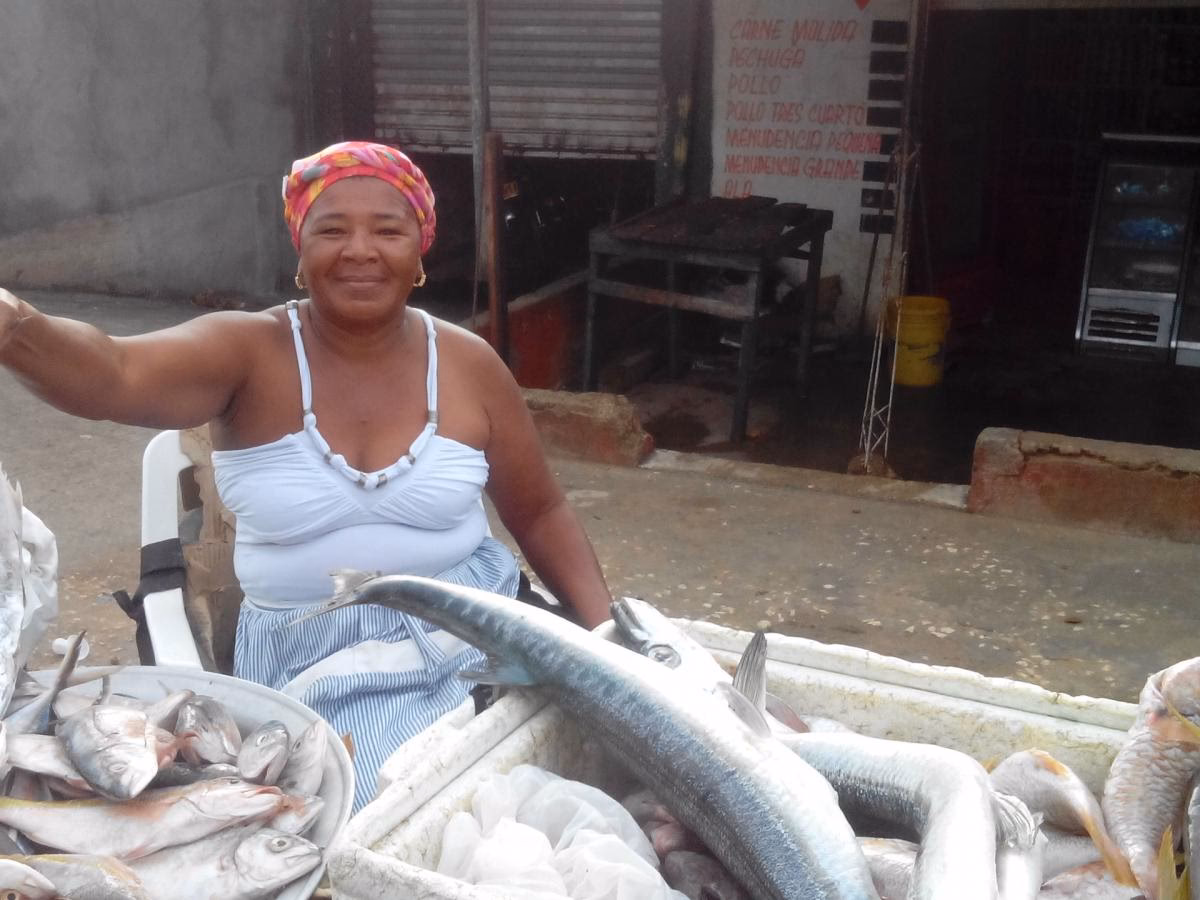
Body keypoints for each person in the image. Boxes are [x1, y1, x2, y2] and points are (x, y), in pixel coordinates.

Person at [0, 140, 613, 809]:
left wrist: (612, 640)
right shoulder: (247, 353)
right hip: (314, 658)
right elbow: (114, 373)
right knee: (395, 806)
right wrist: (17, 327)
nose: (359, 250)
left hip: (476, 632)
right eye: (331, 230)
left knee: (589, 788)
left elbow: (541, 512)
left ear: (419, 253)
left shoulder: (470, 365)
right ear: (300, 253)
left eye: (388, 229)